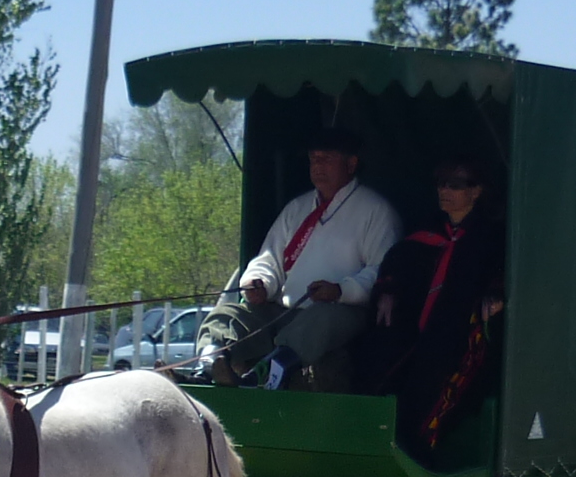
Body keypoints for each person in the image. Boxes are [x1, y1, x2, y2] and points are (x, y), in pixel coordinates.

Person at [193, 123, 402, 390]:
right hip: (284, 310)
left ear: (351, 164)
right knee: (229, 315)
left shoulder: (376, 211)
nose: (318, 166)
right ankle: (209, 366)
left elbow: (381, 271)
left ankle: (266, 375)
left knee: (322, 318)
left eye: (327, 159)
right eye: (314, 159)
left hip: (341, 312)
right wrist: (260, 282)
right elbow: (269, 258)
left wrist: (340, 290)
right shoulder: (297, 208)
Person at [354, 155, 505, 455]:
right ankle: (365, 444)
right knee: (374, 358)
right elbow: (395, 265)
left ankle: (418, 453)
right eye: (441, 184)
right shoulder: (427, 232)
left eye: (456, 185)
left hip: (460, 332)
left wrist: (497, 296)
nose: (444, 191)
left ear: (476, 191)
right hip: (416, 329)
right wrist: (388, 290)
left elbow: (503, 275)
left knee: (433, 382)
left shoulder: (491, 238)